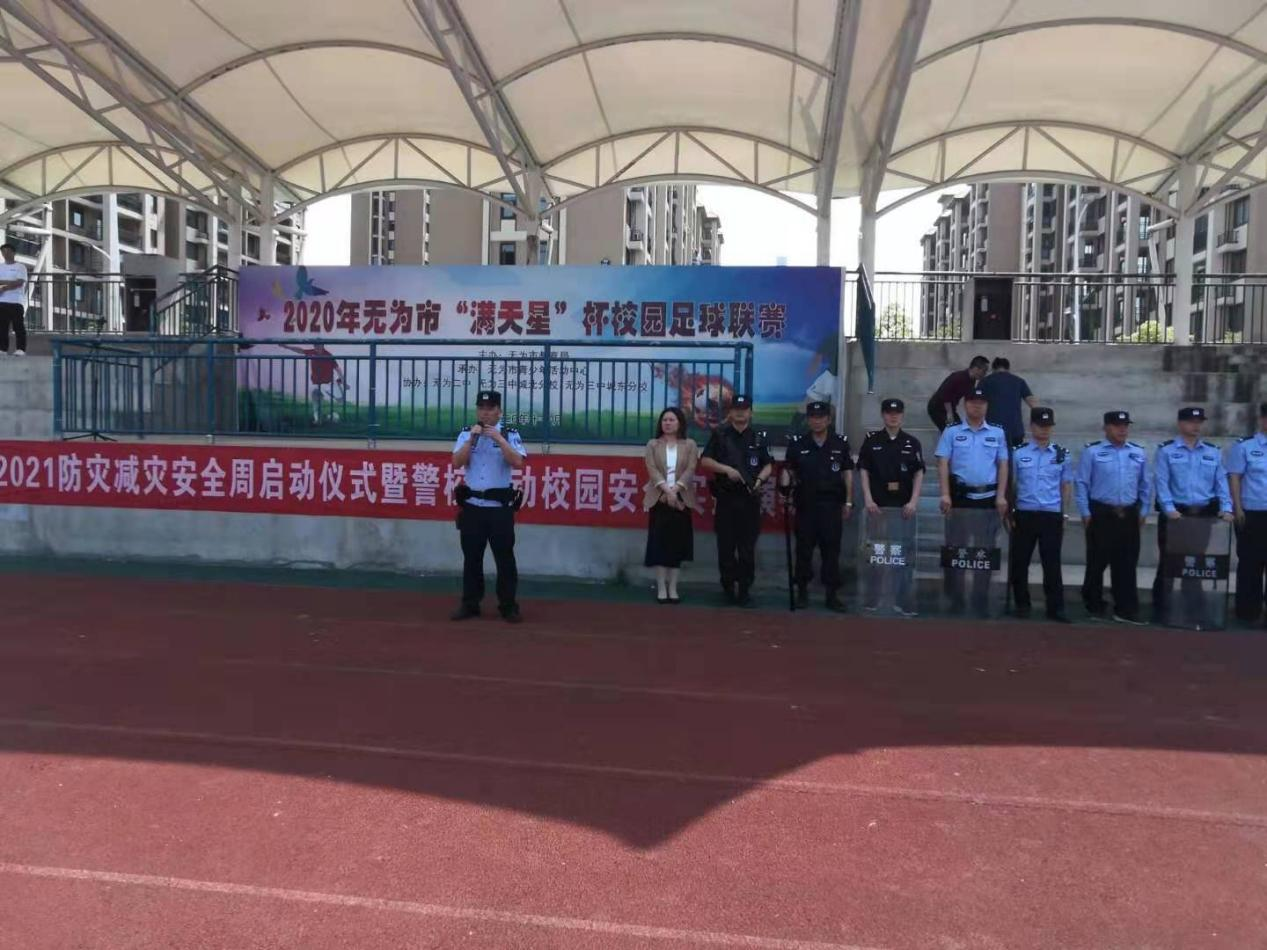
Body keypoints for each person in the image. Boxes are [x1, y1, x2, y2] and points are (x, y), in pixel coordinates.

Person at [449, 390, 527, 623]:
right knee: (472, 558)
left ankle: (508, 606)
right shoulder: (467, 433)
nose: (485, 413)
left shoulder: (509, 433)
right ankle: (470, 604)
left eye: (490, 408)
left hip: (499, 509)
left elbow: (518, 462)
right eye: (481, 408)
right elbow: (457, 462)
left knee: (505, 559)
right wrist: (471, 440)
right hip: (473, 507)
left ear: (499, 412)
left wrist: (499, 439)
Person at [1151, 407, 1233, 624]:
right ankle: (1162, 610)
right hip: (1175, 516)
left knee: (1197, 563)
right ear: (1180, 424)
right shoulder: (1166, 450)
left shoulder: (1213, 452)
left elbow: (1221, 483)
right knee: (1169, 563)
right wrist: (1169, 509)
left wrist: (1227, 508)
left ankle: (1195, 611)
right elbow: (1162, 483)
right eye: (1190, 421)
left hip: (1203, 517)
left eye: (1199, 422)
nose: (1196, 426)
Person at [935, 386, 1009, 613]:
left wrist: (1001, 496)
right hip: (960, 499)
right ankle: (955, 598)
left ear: (987, 406)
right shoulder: (952, 432)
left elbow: (1003, 464)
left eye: (981, 403)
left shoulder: (997, 432)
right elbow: (943, 462)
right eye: (972, 402)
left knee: (984, 552)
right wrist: (945, 493)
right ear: (964, 405)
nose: (977, 406)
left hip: (987, 500)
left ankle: (980, 598)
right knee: (956, 550)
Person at [1074, 411, 1151, 624]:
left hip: (1128, 513)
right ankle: (1094, 605)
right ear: (1106, 427)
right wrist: (1085, 512)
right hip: (1101, 512)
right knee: (1097, 562)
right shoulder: (1093, 452)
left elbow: (1145, 485)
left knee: (1127, 563)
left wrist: (1144, 511)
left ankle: (1125, 609)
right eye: (1117, 425)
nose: (1122, 429)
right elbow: (1082, 483)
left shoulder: (1137, 452)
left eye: (1125, 425)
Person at [700, 394, 773, 607]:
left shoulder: (759, 436)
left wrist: (760, 480)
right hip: (726, 499)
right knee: (726, 547)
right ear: (730, 412)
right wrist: (726, 470)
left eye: (744, 409)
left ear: (751, 412)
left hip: (750, 500)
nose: (740, 413)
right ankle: (728, 588)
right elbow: (705, 461)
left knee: (747, 549)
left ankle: (744, 590)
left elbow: (768, 464)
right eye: (736, 409)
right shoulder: (720, 435)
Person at [783, 400, 853, 612]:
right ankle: (802, 592)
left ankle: (831, 594)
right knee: (803, 550)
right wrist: (787, 494)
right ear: (808, 420)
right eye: (813, 417)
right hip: (805, 505)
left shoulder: (839, 443)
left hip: (831, 505)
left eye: (821, 417)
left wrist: (848, 501)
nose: (817, 421)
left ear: (828, 420)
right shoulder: (798, 444)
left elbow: (847, 474)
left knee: (831, 551)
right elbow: (789, 471)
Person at [857, 397, 924, 616]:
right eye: (889, 413)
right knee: (876, 554)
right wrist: (868, 499)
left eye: (897, 413)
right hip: (877, 507)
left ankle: (901, 600)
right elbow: (864, 470)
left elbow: (918, 473)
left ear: (902, 415)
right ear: (883, 415)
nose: (893, 417)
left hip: (902, 508)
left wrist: (913, 501)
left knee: (902, 556)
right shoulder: (872, 440)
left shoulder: (912, 442)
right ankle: (873, 599)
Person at [1008, 407, 1074, 622]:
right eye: (1040, 425)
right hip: (1025, 513)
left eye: (1048, 426)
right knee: (1020, 562)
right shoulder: (1019, 453)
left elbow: (1065, 486)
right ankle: (1022, 605)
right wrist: (1011, 511)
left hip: (1051, 515)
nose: (1044, 430)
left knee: (1052, 564)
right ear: (1031, 426)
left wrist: (1064, 514)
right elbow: (1013, 484)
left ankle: (1055, 608)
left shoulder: (1061, 454)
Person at [643, 406, 700, 604]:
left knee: (677, 546)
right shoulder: (653, 444)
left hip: (682, 498)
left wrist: (676, 489)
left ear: (680, 423)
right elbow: (651, 468)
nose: (667, 423)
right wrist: (667, 491)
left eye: (672, 420)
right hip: (659, 498)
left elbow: (691, 468)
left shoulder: (690, 444)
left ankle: (673, 588)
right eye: (665, 420)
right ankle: (661, 587)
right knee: (660, 546)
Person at [1227, 402, 1267, 625]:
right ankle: (1247, 612)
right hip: (1251, 513)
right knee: (1250, 563)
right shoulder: (1244, 446)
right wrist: (1238, 507)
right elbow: (1235, 477)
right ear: (1262, 419)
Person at [280, 342, 346, 423]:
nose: (316, 347)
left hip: (328, 384)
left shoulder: (328, 355)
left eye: (318, 345)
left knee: (341, 401)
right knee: (316, 400)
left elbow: (337, 368)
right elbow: (300, 350)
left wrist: (343, 381)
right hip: (317, 384)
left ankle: (330, 416)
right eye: (315, 345)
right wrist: (287, 347)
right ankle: (318, 420)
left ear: (322, 346)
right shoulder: (312, 352)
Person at [980, 357, 1038, 448]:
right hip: (1015, 430)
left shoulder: (985, 381)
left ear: (993, 369)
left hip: (992, 430)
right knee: (1015, 455)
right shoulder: (1019, 381)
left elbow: (977, 403)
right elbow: (1032, 403)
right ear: (1008, 368)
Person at [926, 355, 989, 431]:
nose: (985, 374)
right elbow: (945, 394)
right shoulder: (958, 377)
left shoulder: (971, 381)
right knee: (951, 431)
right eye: (984, 371)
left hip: (950, 408)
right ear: (976, 369)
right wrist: (949, 413)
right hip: (937, 407)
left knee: (958, 429)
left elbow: (968, 398)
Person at [0, 243, 28, 356]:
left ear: (13, 253)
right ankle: (2, 349)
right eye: (3, 252)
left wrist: (4, 286)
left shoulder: (20, 267)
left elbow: (19, 282)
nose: (5, 254)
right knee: (2, 327)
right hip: (2, 301)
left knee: (18, 326)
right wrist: (9, 283)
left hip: (16, 301)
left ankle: (21, 349)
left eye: (7, 251)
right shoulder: (0, 267)